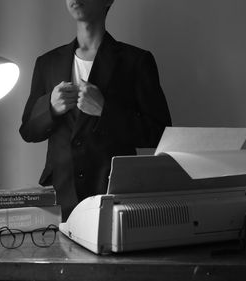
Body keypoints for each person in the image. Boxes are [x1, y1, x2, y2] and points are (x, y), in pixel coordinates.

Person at [19, 0, 171, 220]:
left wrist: (105, 111)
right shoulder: (47, 63)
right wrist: (50, 108)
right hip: (58, 200)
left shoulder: (135, 61)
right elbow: (28, 131)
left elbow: (160, 133)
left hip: (113, 196)